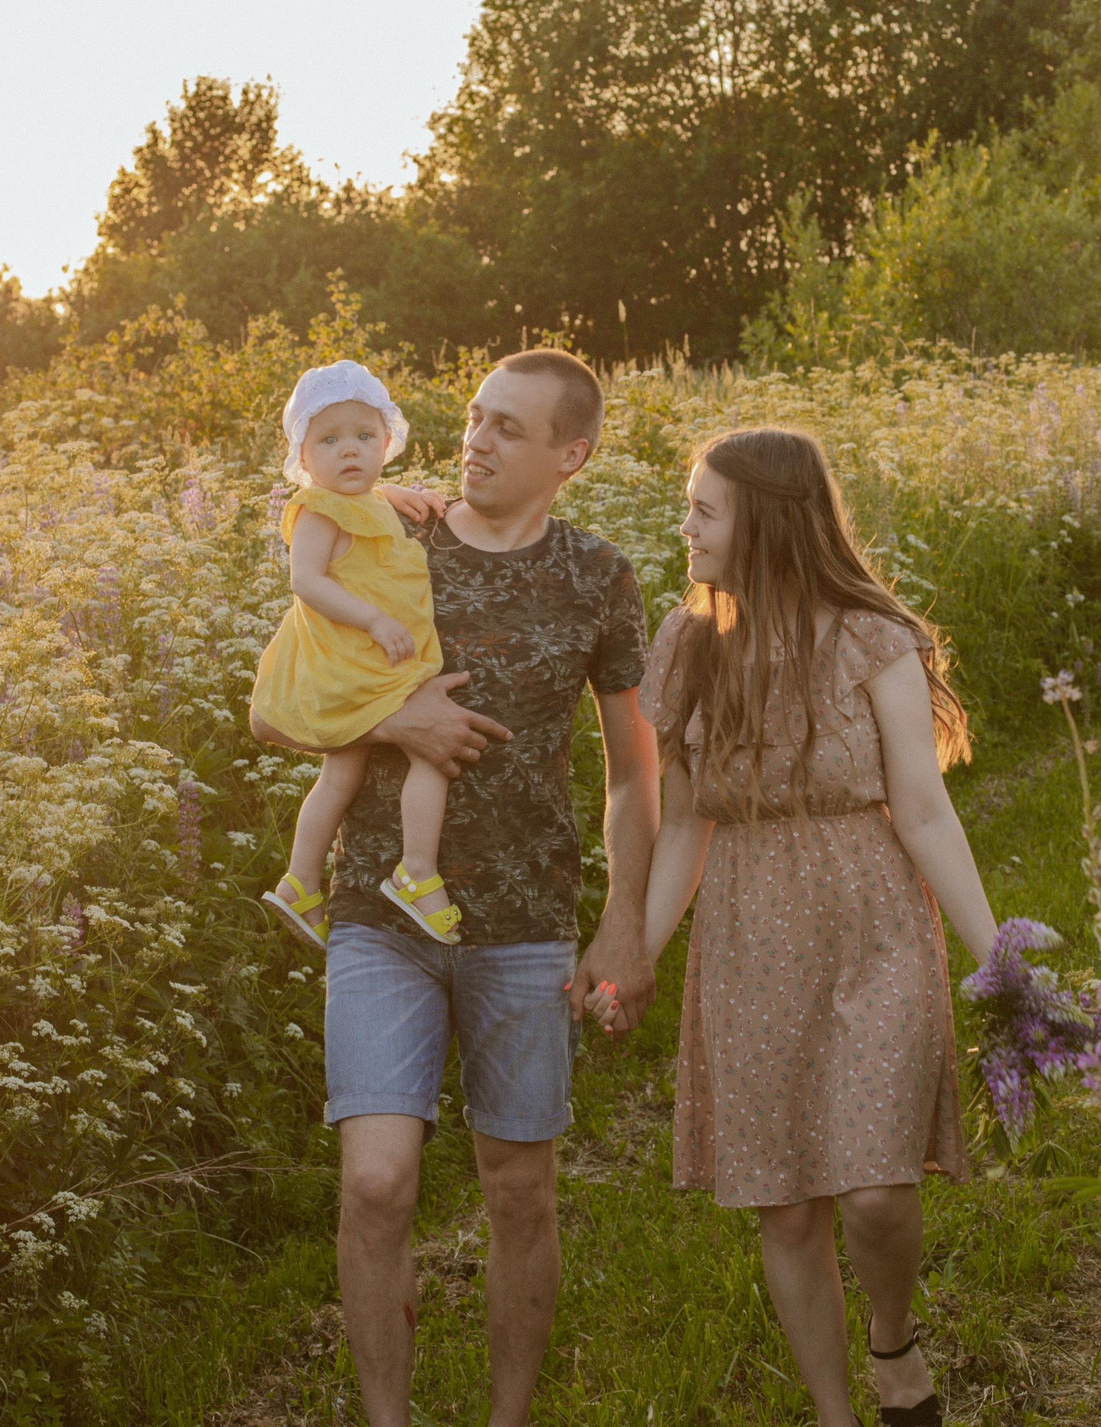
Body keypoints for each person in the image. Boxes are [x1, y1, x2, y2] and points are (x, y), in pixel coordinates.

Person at [249, 348, 660, 1427]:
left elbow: (634, 771)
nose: (475, 440)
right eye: (475, 418)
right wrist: (393, 720)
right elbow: (270, 712)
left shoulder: (598, 576)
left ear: (570, 454)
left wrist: (624, 925)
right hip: (381, 917)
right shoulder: (388, 527)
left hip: (526, 919)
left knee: (518, 1188)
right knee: (377, 1181)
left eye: (509, 429)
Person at [600, 427, 1001, 1427]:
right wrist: (634, 958)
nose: (683, 525)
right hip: (748, 928)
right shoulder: (689, 643)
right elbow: (686, 820)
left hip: (870, 918)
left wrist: (998, 958)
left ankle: (893, 1346)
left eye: (703, 509)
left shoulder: (872, 636)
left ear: (766, 523)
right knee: (784, 1200)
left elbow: (921, 807)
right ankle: (836, 1410)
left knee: (873, 1189)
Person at [251, 360, 462, 949]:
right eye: (330, 439)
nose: (350, 451)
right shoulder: (317, 510)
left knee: (342, 770)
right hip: (353, 658)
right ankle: (416, 871)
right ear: (304, 456)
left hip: (366, 657)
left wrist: (404, 492)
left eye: (365, 437)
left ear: (387, 442)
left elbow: (368, 497)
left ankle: (300, 883)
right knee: (432, 752)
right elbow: (306, 581)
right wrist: (372, 618)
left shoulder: (366, 497)